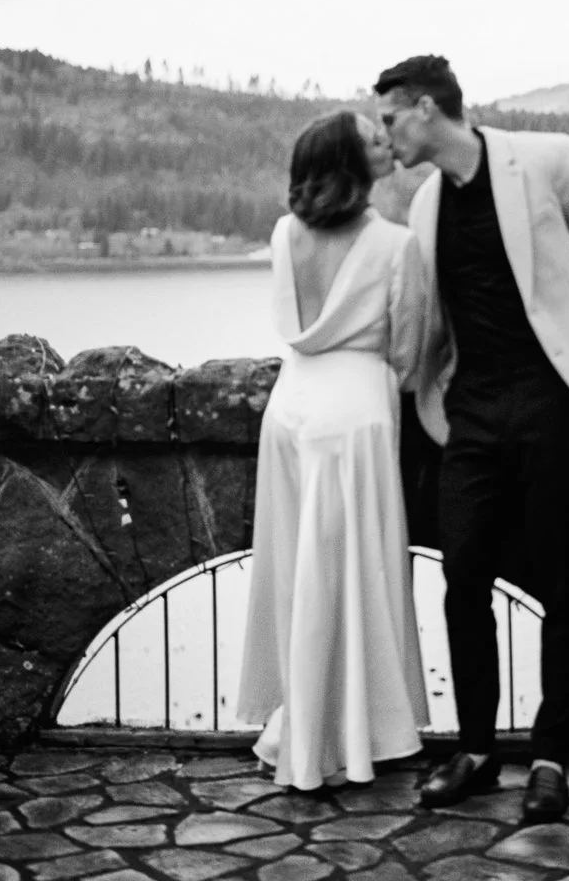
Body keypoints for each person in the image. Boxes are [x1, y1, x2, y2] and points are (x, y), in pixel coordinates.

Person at [374, 55, 569, 822]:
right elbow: (423, 322)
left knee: (562, 580)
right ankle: (477, 750)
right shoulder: (423, 207)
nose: (382, 136)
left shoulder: (545, 160)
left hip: (558, 404)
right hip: (471, 415)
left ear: (424, 108)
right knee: (464, 579)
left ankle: (551, 758)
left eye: (388, 119)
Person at [237, 110, 430, 791]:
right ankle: (356, 731)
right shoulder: (395, 246)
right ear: (353, 162)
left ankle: (305, 723)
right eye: (372, 139)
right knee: (353, 576)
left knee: (297, 574)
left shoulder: (285, 234)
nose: (385, 143)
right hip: (355, 419)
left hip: (289, 411)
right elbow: (408, 354)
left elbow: (290, 326)